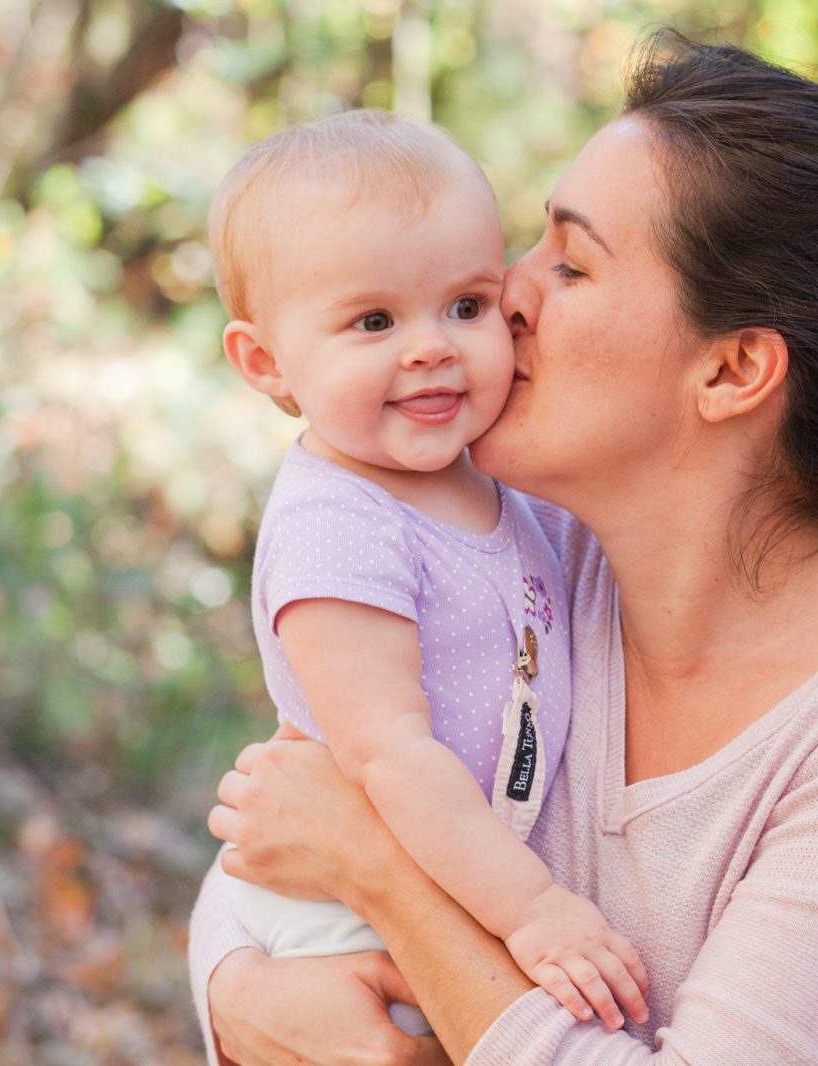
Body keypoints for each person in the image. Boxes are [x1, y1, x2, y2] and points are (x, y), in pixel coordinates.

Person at [193, 29, 818, 1066]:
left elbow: (356, 844)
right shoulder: (536, 556)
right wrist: (234, 993)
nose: (506, 293)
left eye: (571, 261)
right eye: (530, 244)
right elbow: (292, 811)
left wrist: (381, 879)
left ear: (732, 370)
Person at [206, 109, 648, 1039]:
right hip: (351, 908)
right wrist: (531, 910)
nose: (431, 346)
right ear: (264, 361)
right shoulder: (338, 525)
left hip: (450, 876)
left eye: (466, 305)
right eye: (374, 320)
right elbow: (388, 755)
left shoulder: (498, 481)